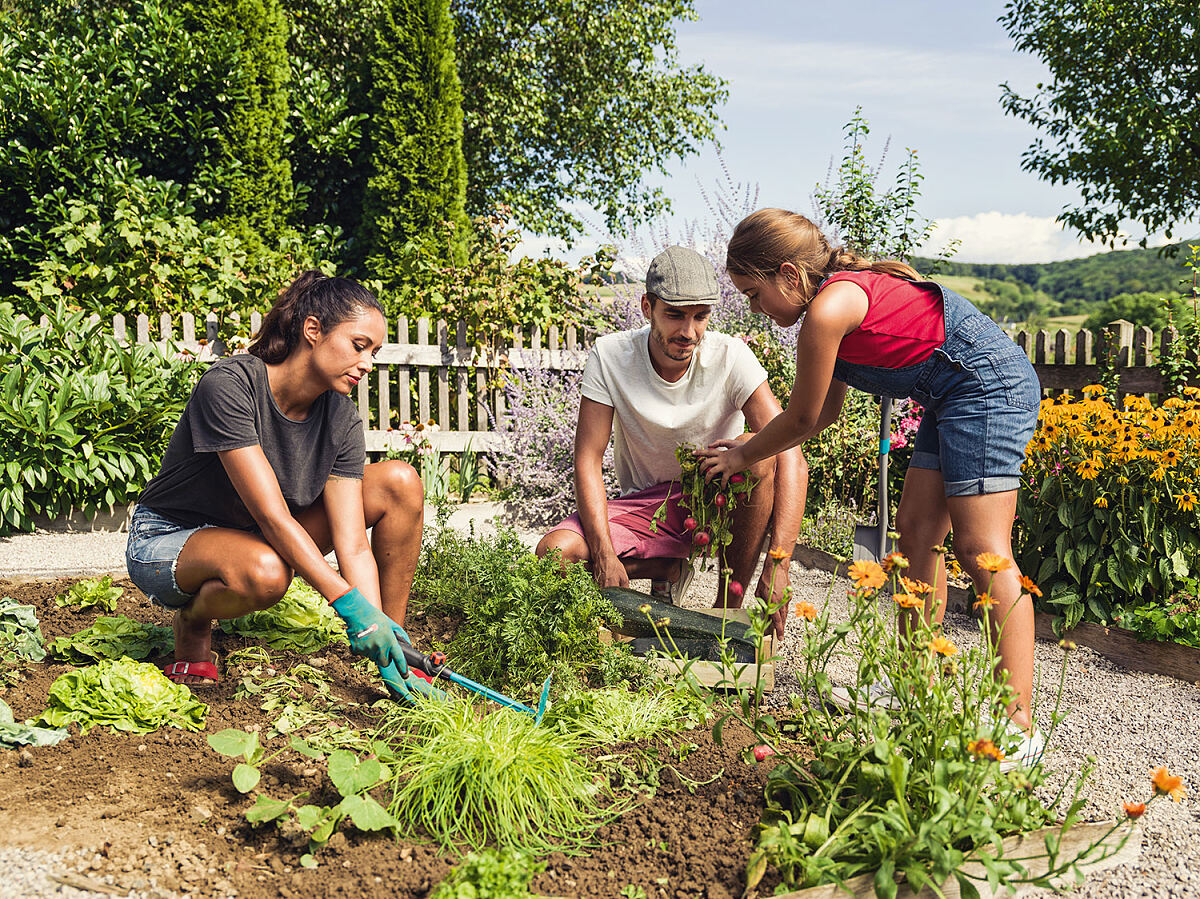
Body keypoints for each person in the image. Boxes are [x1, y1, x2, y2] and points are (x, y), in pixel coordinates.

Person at [698, 208, 1044, 767]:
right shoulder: (825, 307)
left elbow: (803, 419)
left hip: (988, 387)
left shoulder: (829, 308)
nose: (757, 311)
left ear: (788, 274)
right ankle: (915, 690)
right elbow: (823, 414)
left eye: (755, 294)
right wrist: (747, 448)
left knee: (983, 550)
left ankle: (1018, 726)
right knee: (914, 537)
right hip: (951, 397)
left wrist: (741, 456)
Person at [126, 271, 431, 699]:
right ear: (313, 331)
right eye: (358, 346)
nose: (367, 363)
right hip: (170, 538)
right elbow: (271, 515)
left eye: (374, 352)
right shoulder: (232, 386)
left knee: (398, 481)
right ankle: (193, 620)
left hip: (255, 538)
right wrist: (349, 605)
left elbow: (354, 545)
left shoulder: (340, 418)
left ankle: (398, 653)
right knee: (267, 572)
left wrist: (377, 624)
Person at [536, 245, 807, 635]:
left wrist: (777, 566)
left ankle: (724, 613)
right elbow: (587, 459)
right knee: (555, 555)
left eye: (701, 317)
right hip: (651, 506)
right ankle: (666, 567)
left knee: (761, 449)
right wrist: (603, 553)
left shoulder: (731, 355)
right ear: (647, 307)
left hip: (720, 504)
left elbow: (790, 452)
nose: (689, 332)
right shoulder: (611, 356)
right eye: (675, 315)